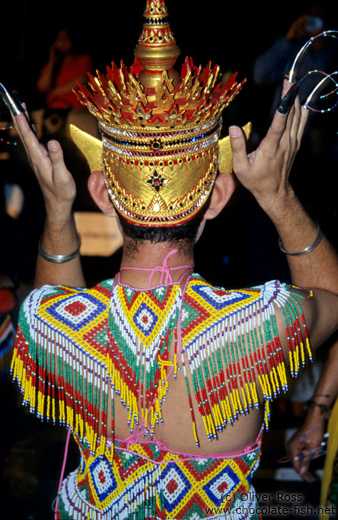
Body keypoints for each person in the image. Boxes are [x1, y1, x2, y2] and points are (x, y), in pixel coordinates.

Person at [6, 2, 338, 519]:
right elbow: (335, 297)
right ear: (220, 195)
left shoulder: (56, 328)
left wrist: (57, 210)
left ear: (101, 190)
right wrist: (277, 196)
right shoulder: (260, 322)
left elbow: (57, 301)